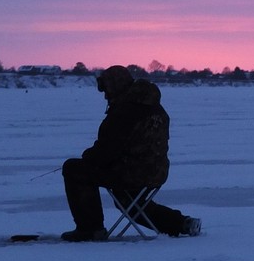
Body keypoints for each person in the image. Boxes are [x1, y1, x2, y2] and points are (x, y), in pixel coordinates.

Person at [61, 65, 201, 241]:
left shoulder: (124, 111)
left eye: (106, 90)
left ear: (115, 87)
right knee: (128, 201)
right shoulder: (154, 107)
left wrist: (88, 157)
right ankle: (181, 223)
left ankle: (90, 229)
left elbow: (106, 152)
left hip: (131, 173)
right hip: (156, 172)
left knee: (73, 169)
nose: (105, 96)